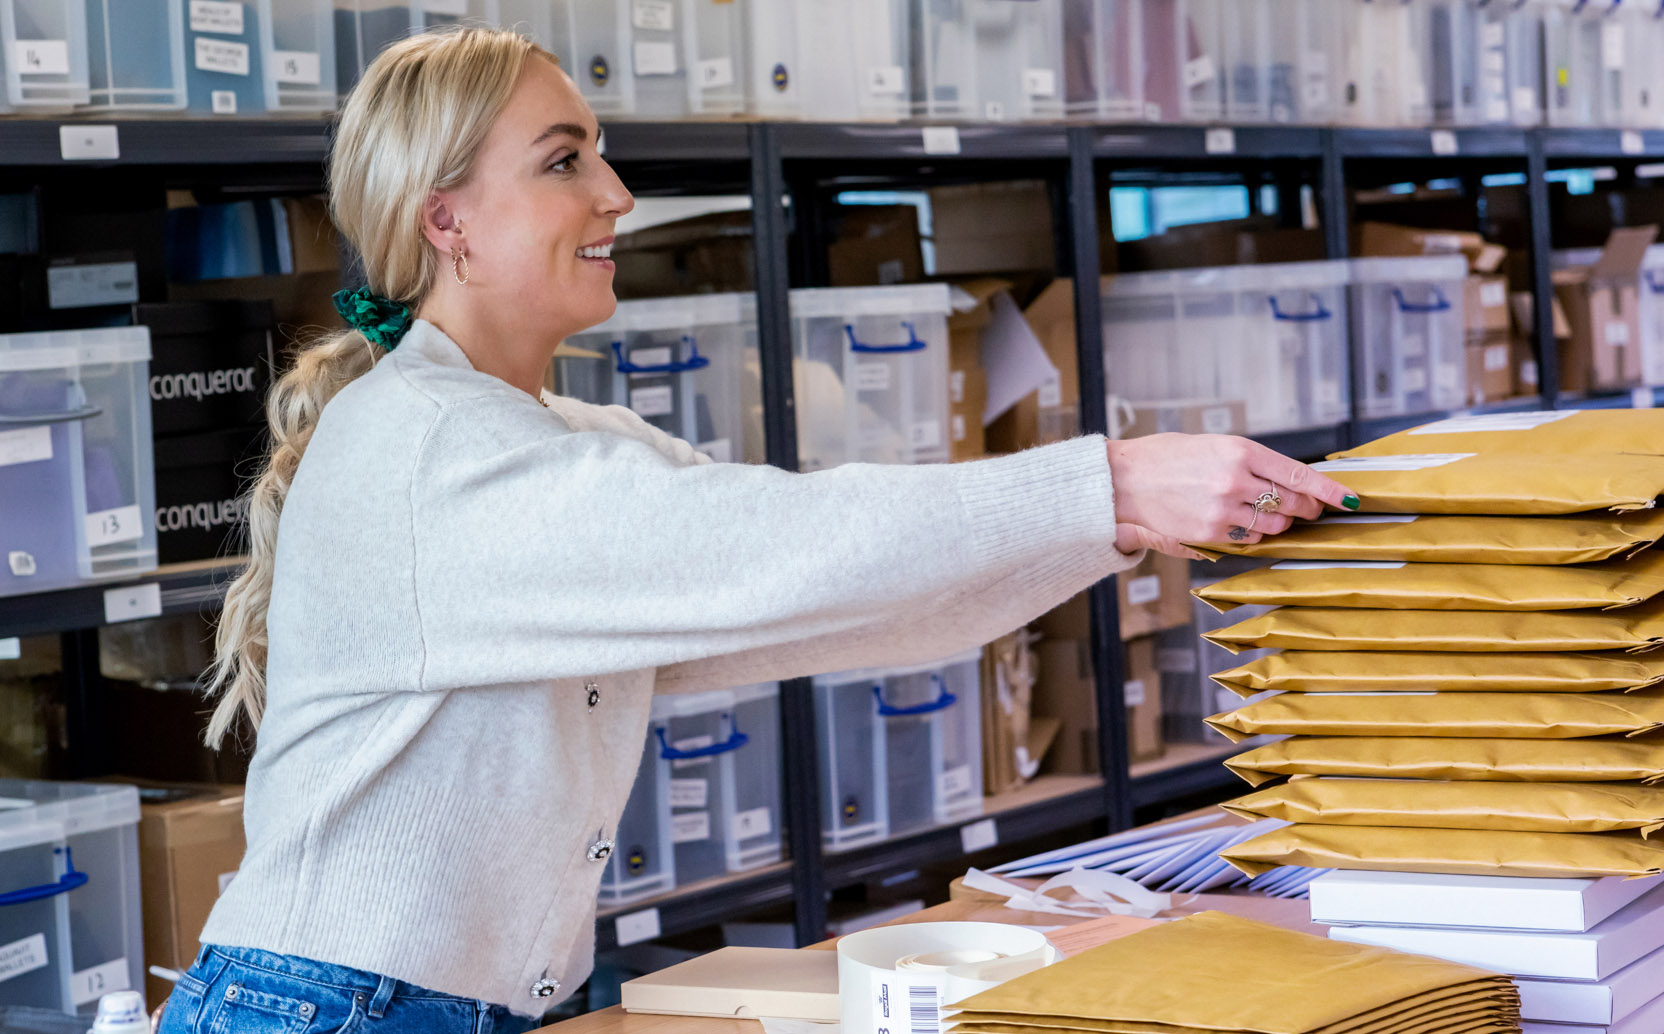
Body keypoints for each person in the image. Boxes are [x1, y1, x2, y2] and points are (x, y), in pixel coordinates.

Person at [162, 25, 1358, 1034]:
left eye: (603, 155)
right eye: (564, 160)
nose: (616, 194)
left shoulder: (562, 438)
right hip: (322, 1004)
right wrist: (1105, 482)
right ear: (447, 221)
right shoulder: (429, 453)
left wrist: (1112, 522)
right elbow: (783, 545)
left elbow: (833, 603)